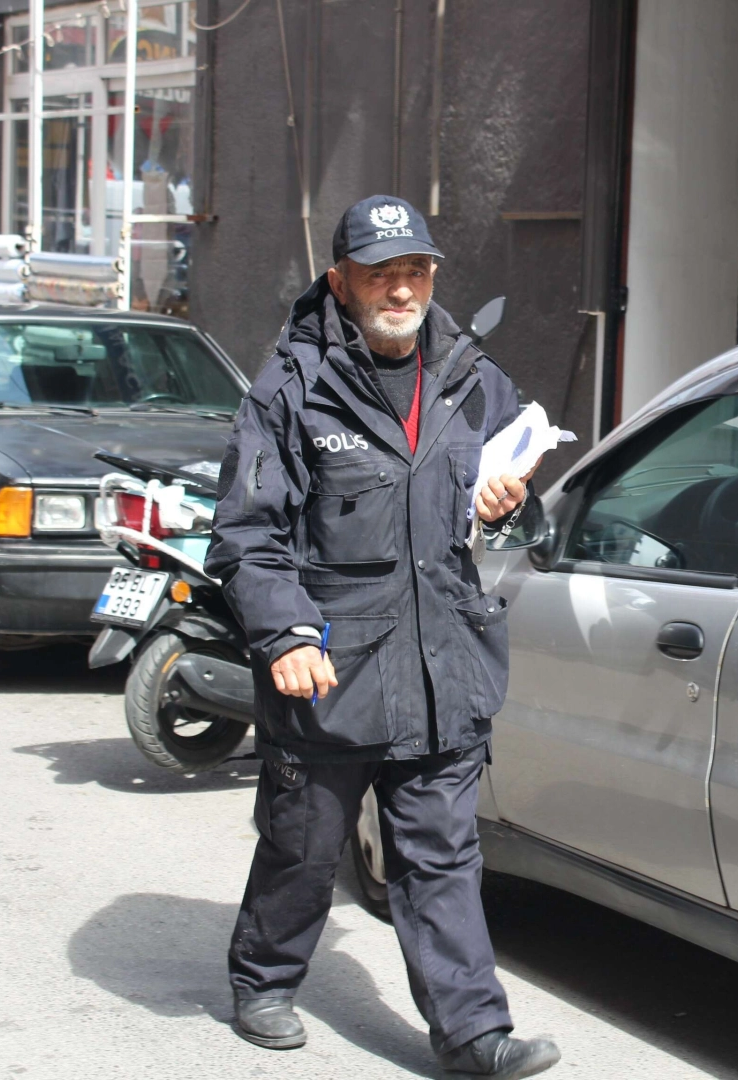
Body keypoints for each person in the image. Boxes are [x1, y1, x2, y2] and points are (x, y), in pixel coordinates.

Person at [206, 194, 559, 1078]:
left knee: (440, 856)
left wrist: (509, 514)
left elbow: (521, 532)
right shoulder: (290, 388)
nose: (400, 288)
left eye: (415, 271)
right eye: (380, 272)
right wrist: (285, 634)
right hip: (329, 665)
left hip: (446, 664)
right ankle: (263, 978)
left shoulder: (480, 381)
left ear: (432, 277)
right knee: (305, 842)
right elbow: (246, 534)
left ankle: (474, 1035)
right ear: (342, 280)